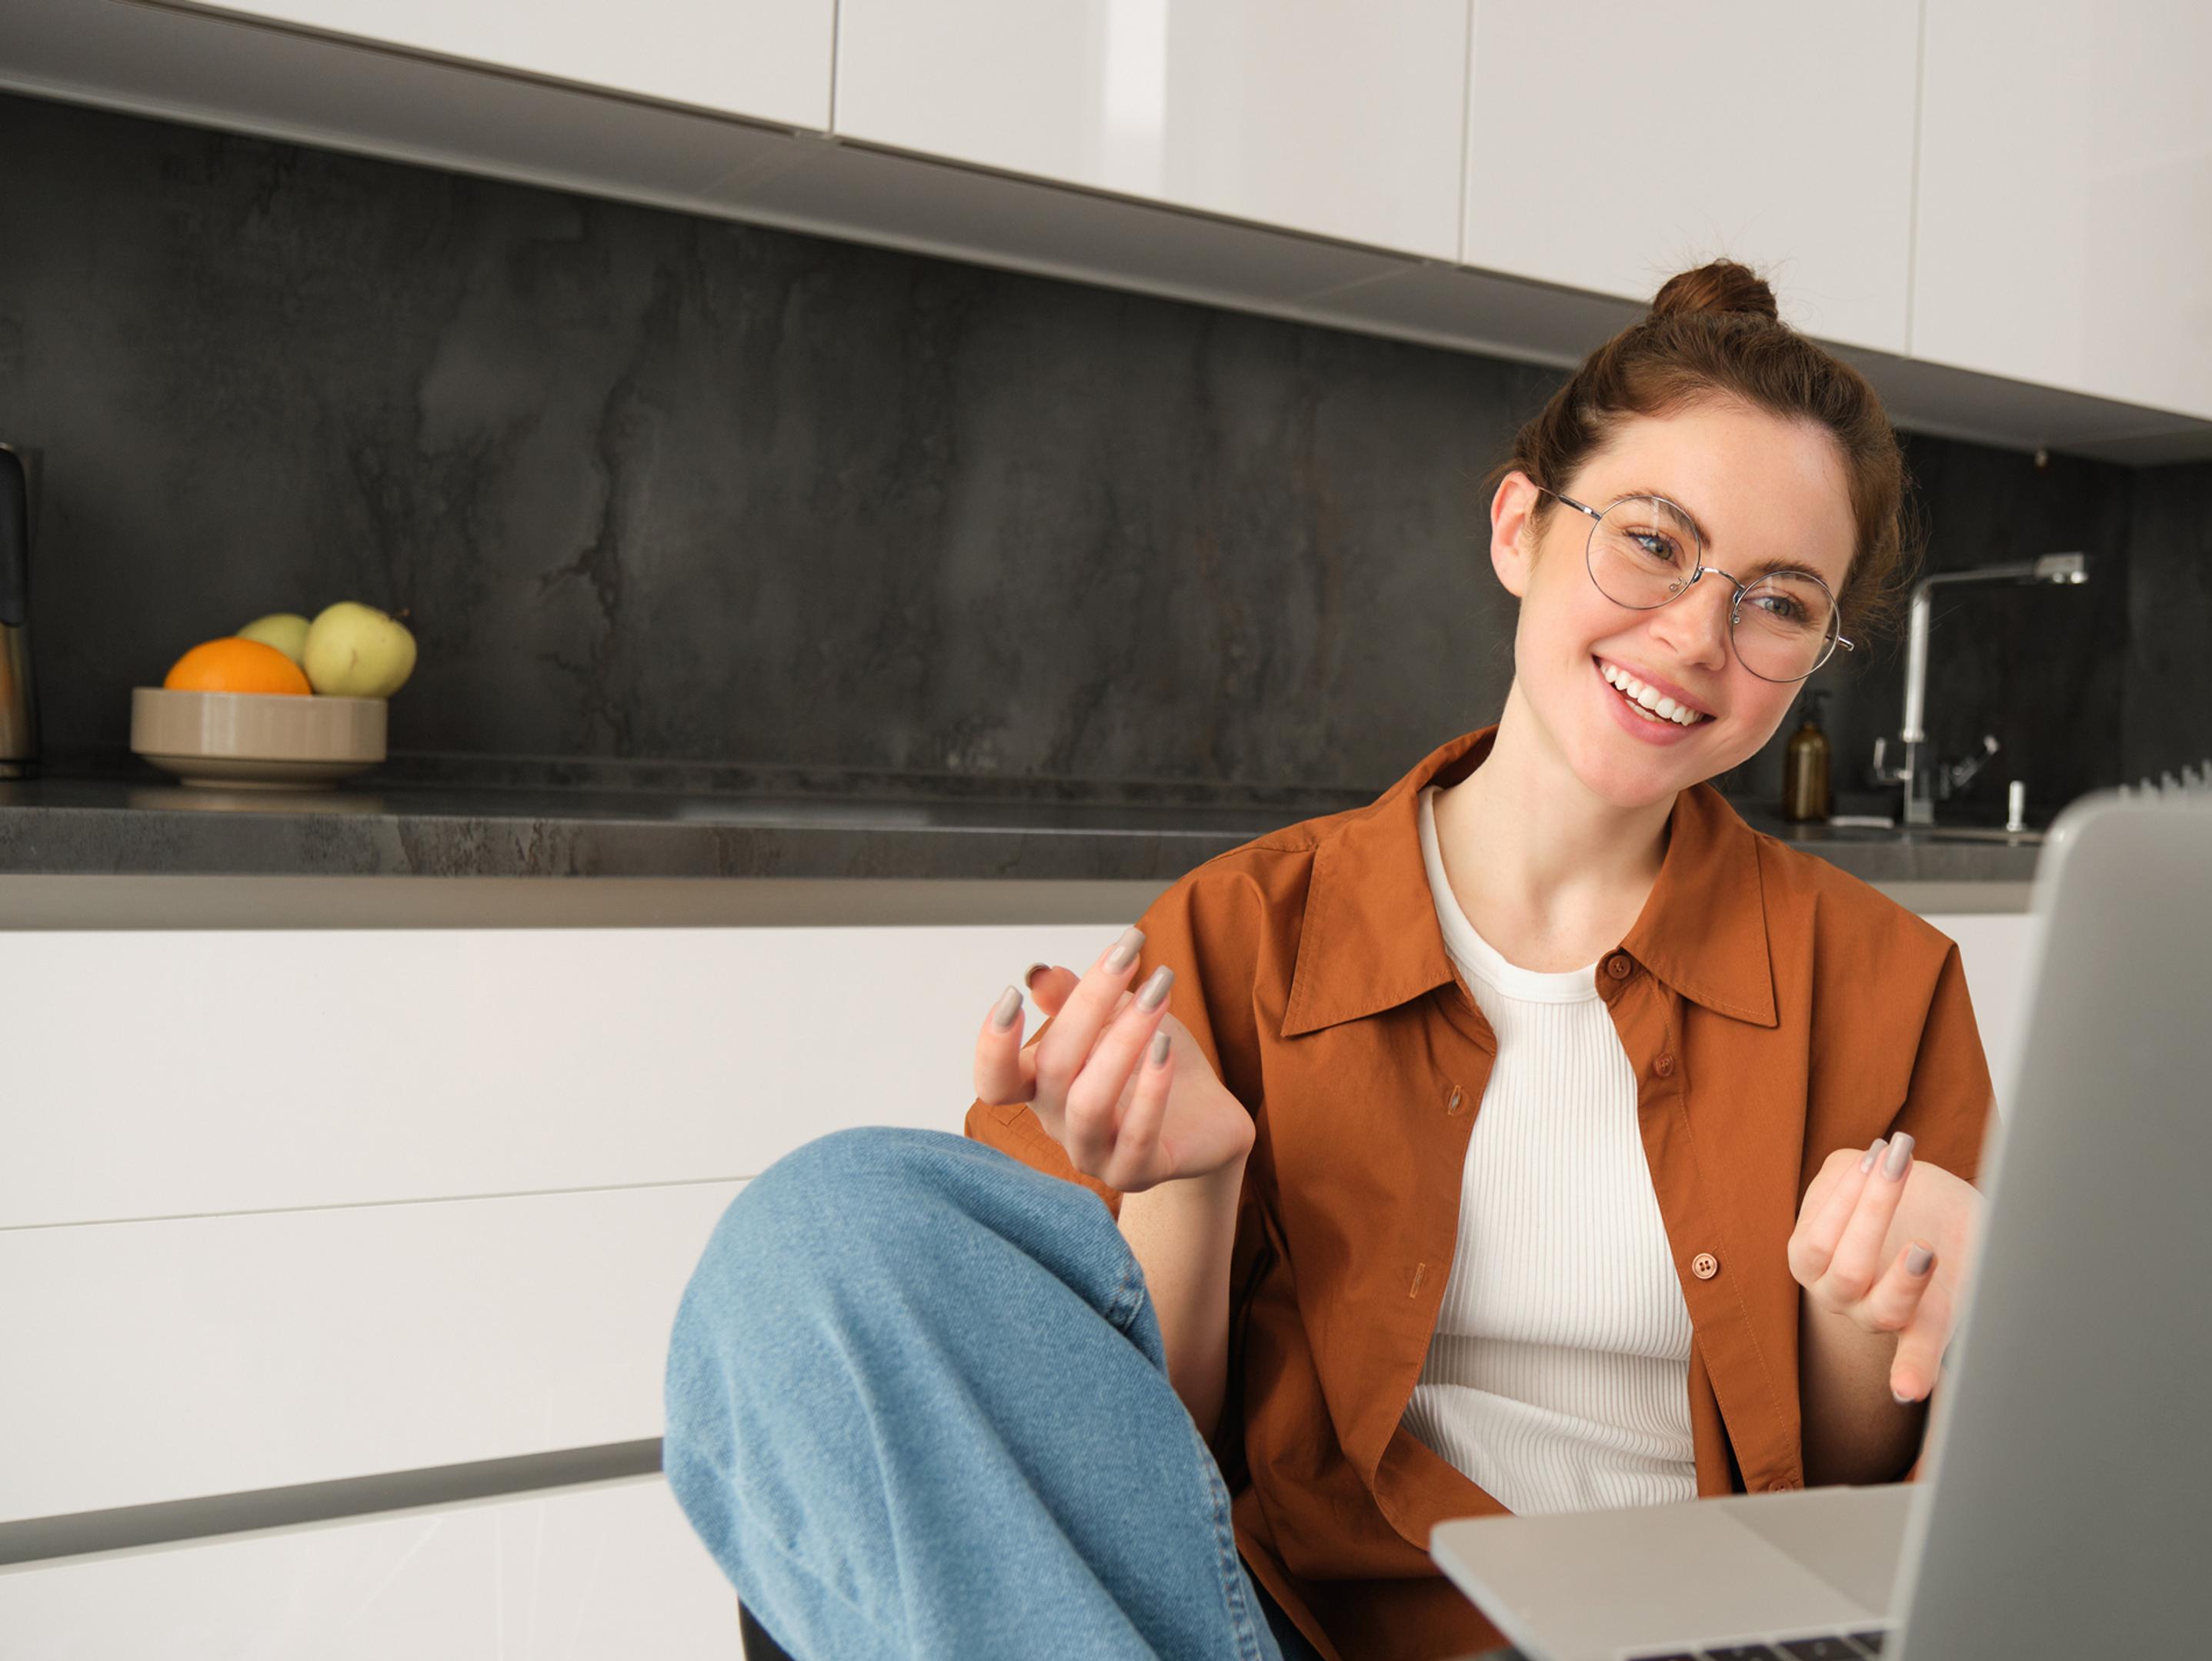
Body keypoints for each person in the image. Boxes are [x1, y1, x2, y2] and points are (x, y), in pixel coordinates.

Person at [663, 260, 1998, 1661]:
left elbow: (1871, 1532)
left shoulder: (1885, 986)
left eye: (1780, 603)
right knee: (825, 1231)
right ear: (1519, 527)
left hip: (1697, 1645)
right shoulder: (1237, 938)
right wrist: (1192, 1185)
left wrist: (1877, 1317)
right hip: (1276, 1637)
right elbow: (1083, 1500)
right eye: (1654, 542)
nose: (1695, 637)